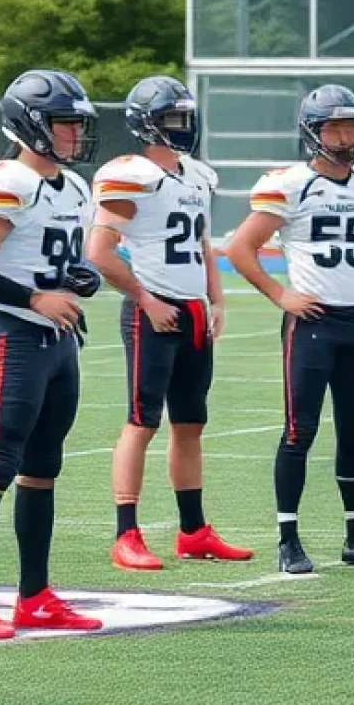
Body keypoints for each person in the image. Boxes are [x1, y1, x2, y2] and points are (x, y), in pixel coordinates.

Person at [226, 85, 354, 575]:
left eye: (351, 126)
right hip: (312, 324)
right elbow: (240, 249)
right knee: (298, 431)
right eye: (335, 127)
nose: (346, 136)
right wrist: (279, 294)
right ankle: (288, 539)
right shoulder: (291, 185)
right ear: (312, 131)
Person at [0, 69, 105, 638]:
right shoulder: (8, 180)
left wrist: (77, 280)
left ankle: (34, 595)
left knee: (43, 470)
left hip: (56, 343)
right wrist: (36, 296)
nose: (74, 133)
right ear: (30, 124)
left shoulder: (75, 188)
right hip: (12, 338)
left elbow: (58, 261)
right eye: (64, 122)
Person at [88, 75, 248, 570]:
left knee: (191, 424)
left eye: (184, 117)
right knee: (142, 422)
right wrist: (144, 298)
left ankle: (193, 530)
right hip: (152, 310)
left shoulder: (195, 175)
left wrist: (215, 297)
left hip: (193, 309)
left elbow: (201, 241)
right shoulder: (130, 174)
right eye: (171, 118)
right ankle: (126, 533)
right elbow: (99, 252)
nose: (183, 126)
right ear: (146, 124)